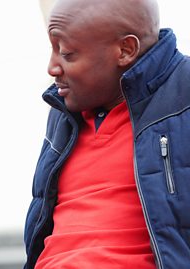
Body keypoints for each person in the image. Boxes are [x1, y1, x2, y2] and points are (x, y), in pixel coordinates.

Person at [24, 0, 190, 268]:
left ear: (125, 50)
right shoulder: (63, 113)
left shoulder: (184, 95)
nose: (52, 68)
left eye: (66, 54)